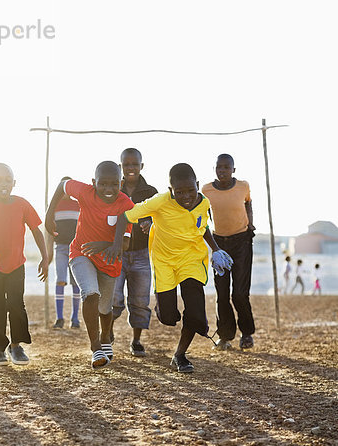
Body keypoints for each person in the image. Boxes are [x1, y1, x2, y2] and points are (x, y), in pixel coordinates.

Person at [108, 163, 233, 373]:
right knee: (168, 317)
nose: (186, 196)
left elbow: (202, 227)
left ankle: (180, 355)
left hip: (192, 261)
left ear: (198, 186)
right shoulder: (160, 202)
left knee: (194, 313)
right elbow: (125, 217)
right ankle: (165, 307)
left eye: (191, 190)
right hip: (164, 262)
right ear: (170, 190)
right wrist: (117, 245)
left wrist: (216, 250)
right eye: (179, 192)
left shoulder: (204, 202)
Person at [45, 161, 134, 369]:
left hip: (109, 262)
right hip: (80, 252)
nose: (108, 189)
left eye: (114, 184)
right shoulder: (85, 192)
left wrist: (106, 245)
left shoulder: (126, 204)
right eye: (103, 184)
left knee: (105, 308)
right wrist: (49, 215)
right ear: (94, 182)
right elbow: (62, 185)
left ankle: (105, 337)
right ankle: (96, 348)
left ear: (121, 183)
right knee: (90, 293)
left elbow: (127, 243)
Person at [0, 163, 48, 367]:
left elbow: (36, 230)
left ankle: (16, 346)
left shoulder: (22, 204)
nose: (3, 184)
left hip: (16, 265)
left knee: (17, 306)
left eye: (8, 180)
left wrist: (45, 257)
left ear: (14, 183)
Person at [202, 154, 255, 350]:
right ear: (214, 169)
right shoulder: (206, 190)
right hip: (219, 245)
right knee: (222, 293)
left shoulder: (243, 186)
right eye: (219, 167)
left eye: (226, 167)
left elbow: (248, 203)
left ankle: (247, 333)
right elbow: (203, 214)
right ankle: (225, 336)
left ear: (234, 169)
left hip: (242, 242)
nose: (222, 171)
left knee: (240, 293)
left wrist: (250, 223)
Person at [111, 148, 158, 356]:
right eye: (126, 164)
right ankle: (107, 332)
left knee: (139, 301)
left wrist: (150, 221)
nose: (130, 168)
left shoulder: (150, 192)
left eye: (134, 164)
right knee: (113, 299)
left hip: (141, 254)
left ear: (142, 166)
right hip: (116, 253)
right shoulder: (112, 189)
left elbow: (161, 216)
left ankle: (136, 340)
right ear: (120, 166)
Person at [48, 178, 81, 329]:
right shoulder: (54, 206)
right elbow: (48, 231)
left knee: (76, 284)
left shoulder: (78, 205)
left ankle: (75, 318)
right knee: (60, 280)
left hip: (76, 248)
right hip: (60, 248)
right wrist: (48, 252)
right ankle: (59, 318)